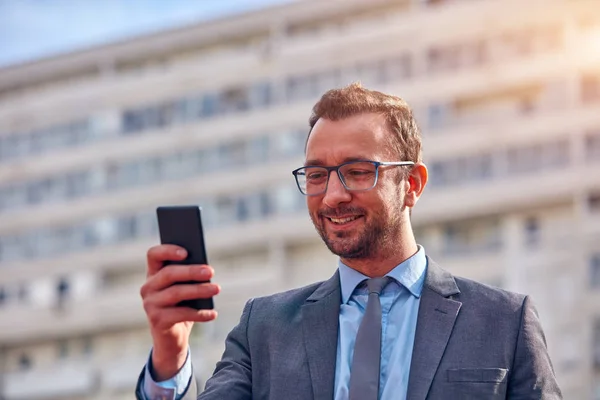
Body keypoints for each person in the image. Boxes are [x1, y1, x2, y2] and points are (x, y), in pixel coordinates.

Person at [135, 83, 562, 399]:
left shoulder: (504, 322)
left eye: (358, 172)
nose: (334, 195)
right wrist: (169, 357)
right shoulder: (262, 327)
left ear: (411, 183)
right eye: (317, 175)